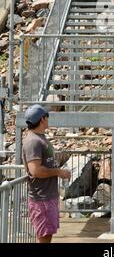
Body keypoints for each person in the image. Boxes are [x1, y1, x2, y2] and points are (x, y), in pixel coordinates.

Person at [22, 104, 71, 244]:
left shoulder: (39, 138)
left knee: (47, 235)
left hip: (47, 196)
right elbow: (36, 171)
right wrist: (59, 172)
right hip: (41, 198)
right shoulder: (33, 141)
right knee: (43, 237)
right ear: (42, 119)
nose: (49, 119)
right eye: (47, 116)